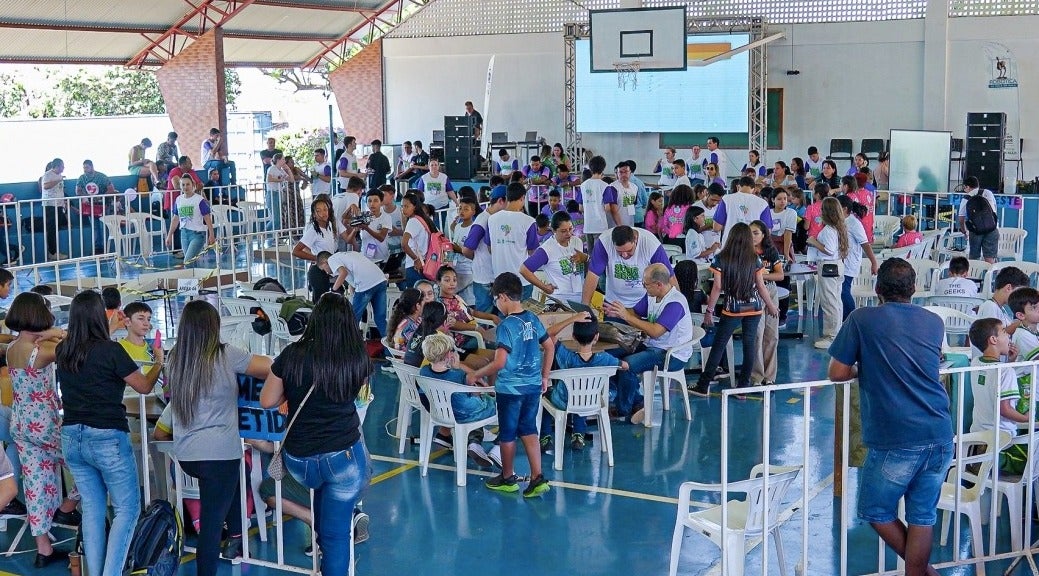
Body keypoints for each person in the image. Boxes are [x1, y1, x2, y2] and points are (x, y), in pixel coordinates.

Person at [827, 258, 952, 576]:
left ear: (877, 289)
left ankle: (926, 572)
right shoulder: (933, 321)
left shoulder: (861, 319)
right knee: (923, 515)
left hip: (897, 436)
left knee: (875, 508)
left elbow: (837, 372)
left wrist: (861, 368)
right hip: (939, 431)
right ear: (914, 289)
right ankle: (922, 572)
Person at [260, 293, 372, 576]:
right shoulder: (356, 357)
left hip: (301, 460)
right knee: (336, 536)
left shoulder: (292, 355)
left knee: (323, 514)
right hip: (343, 458)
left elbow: (267, 401)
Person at [57, 291, 164, 576]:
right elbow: (143, 386)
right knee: (126, 510)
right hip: (106, 435)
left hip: (71, 436)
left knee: (92, 508)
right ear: (97, 316)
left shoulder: (63, 350)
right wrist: (159, 363)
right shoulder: (112, 350)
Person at [168, 301, 271, 576]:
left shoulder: (175, 357)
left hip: (187, 455)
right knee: (211, 528)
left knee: (234, 479)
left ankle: (236, 536)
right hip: (219, 454)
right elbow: (268, 367)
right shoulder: (226, 355)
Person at [6, 293, 81, 567]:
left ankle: (43, 550)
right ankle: (67, 508)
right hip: (45, 424)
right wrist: (56, 331)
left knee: (35, 484)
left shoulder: (12, 348)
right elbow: (76, 344)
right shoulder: (41, 352)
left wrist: (47, 334)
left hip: (21, 424)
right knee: (87, 463)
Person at [466, 272, 552, 496]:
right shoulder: (533, 318)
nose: (496, 304)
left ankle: (507, 476)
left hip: (510, 390)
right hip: (533, 386)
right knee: (529, 430)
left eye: (495, 299)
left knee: (507, 433)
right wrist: (544, 376)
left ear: (503, 297)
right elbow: (550, 346)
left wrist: (476, 374)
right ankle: (537, 477)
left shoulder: (506, 325)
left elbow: (500, 361)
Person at [688, 223, 778, 397]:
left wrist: (709, 311)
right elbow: (761, 286)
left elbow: (717, 287)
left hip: (732, 309)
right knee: (749, 346)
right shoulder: (755, 258)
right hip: (754, 307)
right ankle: (743, 388)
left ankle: (703, 384)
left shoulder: (721, 258)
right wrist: (772, 306)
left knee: (719, 345)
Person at [604, 263, 695, 422]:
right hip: (652, 346)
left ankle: (624, 410)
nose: (644, 287)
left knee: (626, 365)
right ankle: (637, 402)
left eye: (646, 284)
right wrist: (618, 312)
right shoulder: (652, 295)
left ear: (658, 284)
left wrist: (627, 317)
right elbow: (635, 312)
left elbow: (655, 331)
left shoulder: (675, 303)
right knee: (607, 357)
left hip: (670, 354)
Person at [539, 313, 626, 452]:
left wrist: (572, 318)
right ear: (596, 337)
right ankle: (578, 434)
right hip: (592, 401)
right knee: (583, 395)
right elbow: (625, 365)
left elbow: (547, 335)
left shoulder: (567, 357)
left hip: (563, 401)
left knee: (547, 395)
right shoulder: (604, 359)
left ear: (573, 337)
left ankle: (545, 437)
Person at [806, 197, 850, 349]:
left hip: (828, 266)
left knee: (829, 302)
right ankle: (835, 332)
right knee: (836, 300)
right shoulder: (838, 228)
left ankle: (831, 336)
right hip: (836, 265)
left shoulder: (829, 230)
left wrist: (813, 241)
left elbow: (829, 249)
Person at [520, 211, 588, 304]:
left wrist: (586, 258)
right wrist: (544, 287)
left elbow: (588, 268)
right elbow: (524, 270)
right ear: (554, 230)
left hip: (581, 296)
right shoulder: (547, 249)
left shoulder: (577, 242)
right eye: (563, 231)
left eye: (570, 229)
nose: (568, 233)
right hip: (560, 300)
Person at [317, 251, 388, 337]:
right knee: (380, 319)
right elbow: (351, 276)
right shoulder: (345, 255)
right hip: (380, 279)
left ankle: (350, 347)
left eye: (323, 269)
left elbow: (343, 273)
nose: (326, 272)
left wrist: (332, 292)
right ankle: (389, 348)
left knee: (352, 320)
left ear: (325, 262)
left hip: (365, 284)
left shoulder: (332, 259)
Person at [748, 220, 784, 387]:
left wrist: (761, 277)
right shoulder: (746, 251)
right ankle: (756, 376)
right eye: (750, 233)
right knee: (757, 334)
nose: (753, 236)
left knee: (771, 335)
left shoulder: (771, 251)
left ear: (763, 235)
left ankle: (770, 376)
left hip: (770, 291)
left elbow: (780, 275)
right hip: (753, 293)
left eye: (756, 233)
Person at [461, 186, 507, 312]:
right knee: (485, 317)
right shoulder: (483, 220)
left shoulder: (497, 219)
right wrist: (479, 260)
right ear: (501, 201)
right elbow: (466, 250)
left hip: (495, 277)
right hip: (485, 279)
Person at [488, 183, 539, 299]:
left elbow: (490, 248)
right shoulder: (528, 221)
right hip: (522, 279)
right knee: (523, 314)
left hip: (499, 277)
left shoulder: (492, 219)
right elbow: (532, 252)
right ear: (522, 198)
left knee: (503, 313)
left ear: (507, 197)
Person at [836, 195, 878, 320]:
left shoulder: (854, 223)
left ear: (843, 209)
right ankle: (846, 319)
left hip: (850, 262)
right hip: (842, 261)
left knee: (844, 291)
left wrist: (874, 262)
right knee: (840, 291)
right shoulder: (842, 221)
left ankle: (851, 318)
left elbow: (865, 244)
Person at [293, 196, 342, 298]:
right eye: (319, 211)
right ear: (314, 215)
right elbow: (296, 251)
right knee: (320, 303)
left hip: (329, 269)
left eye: (325, 209)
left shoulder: (329, 225)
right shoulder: (314, 230)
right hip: (318, 271)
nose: (323, 213)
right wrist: (317, 258)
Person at [166, 177, 216, 266]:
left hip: (197, 234)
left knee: (187, 261)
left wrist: (211, 234)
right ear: (180, 187)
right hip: (184, 234)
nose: (185, 187)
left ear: (193, 185)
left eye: (188, 184)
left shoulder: (199, 200)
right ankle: (195, 279)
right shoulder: (178, 200)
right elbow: (175, 218)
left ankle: (189, 279)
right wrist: (169, 235)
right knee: (191, 262)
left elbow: (207, 218)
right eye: (183, 185)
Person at [713, 176, 773, 246]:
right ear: (753, 189)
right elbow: (767, 231)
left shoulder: (726, 199)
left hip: (729, 245)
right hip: (751, 246)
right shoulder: (763, 203)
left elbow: (716, 227)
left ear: (738, 187)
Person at [958, 175, 1000, 263]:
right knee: (990, 258)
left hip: (975, 231)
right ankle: (992, 275)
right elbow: (994, 210)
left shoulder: (966, 198)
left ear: (967, 187)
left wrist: (964, 231)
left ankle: (974, 275)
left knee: (974, 258)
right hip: (991, 228)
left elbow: (961, 218)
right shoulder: (988, 193)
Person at [400, 192, 437, 289]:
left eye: (406, 206)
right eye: (402, 206)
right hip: (425, 263)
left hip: (414, 266)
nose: (403, 209)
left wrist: (415, 259)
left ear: (415, 207)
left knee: (415, 299)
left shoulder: (413, 221)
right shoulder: (423, 220)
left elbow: (404, 244)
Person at [978, 266, 1029, 335]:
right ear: (1008, 288)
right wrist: (1022, 322)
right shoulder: (990, 306)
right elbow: (993, 336)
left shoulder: (1001, 308)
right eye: (1019, 293)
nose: (1019, 298)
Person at [39, 158, 69, 260]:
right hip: (50, 205)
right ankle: (52, 253)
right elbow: (46, 186)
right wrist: (58, 180)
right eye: (62, 166)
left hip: (59, 205)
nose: (63, 168)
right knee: (51, 229)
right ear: (57, 166)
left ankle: (55, 251)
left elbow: (60, 190)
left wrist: (63, 202)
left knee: (56, 228)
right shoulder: (47, 175)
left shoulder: (59, 176)